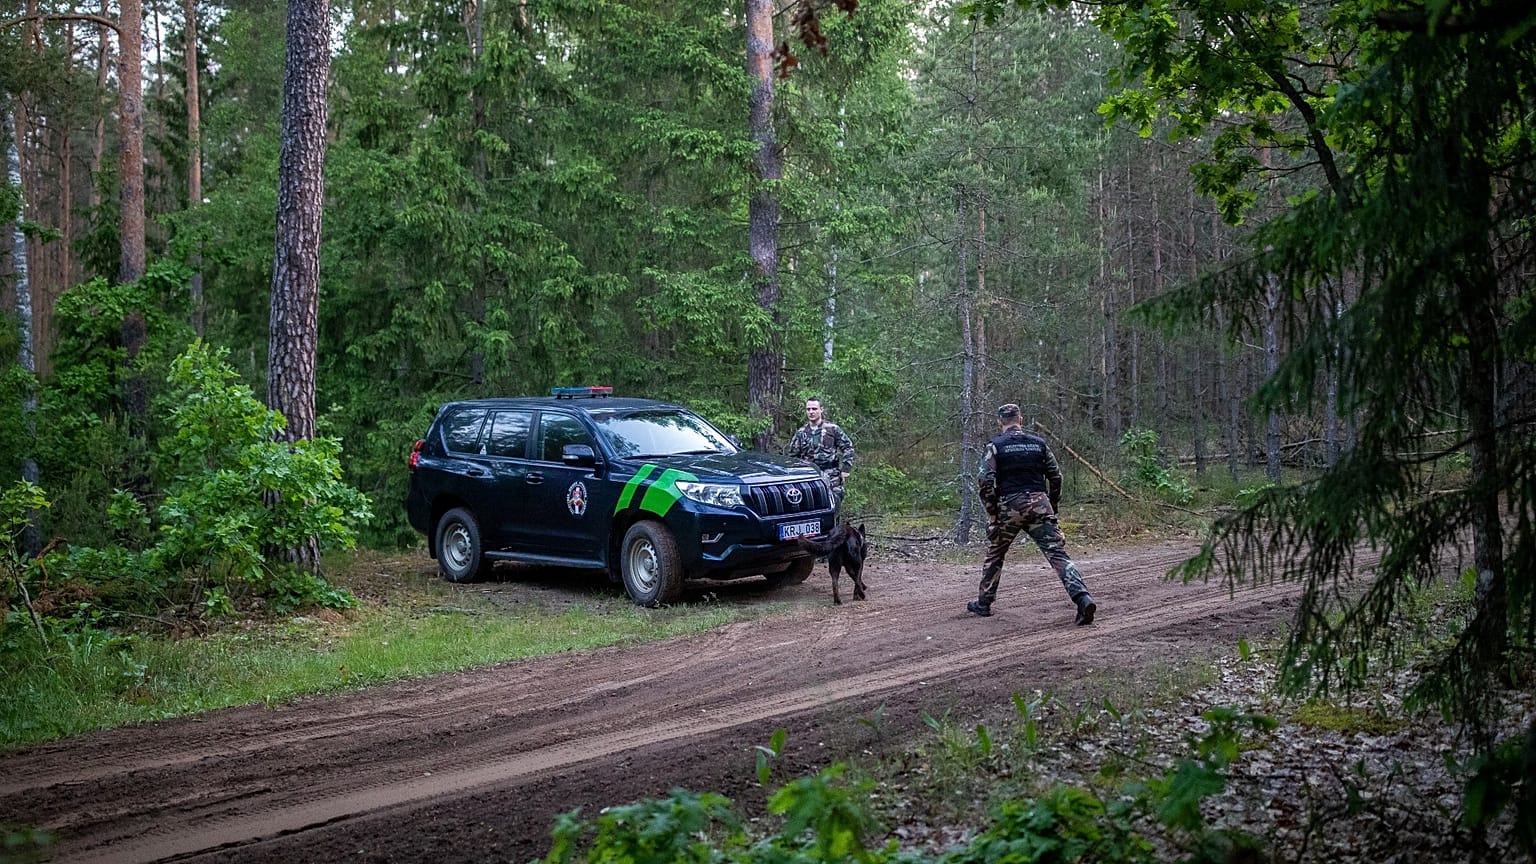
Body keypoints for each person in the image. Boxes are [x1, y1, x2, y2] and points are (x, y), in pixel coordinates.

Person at [967, 403, 1097, 625]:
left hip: (1009, 506)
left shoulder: (995, 447)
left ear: (1000, 422)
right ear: (1021, 419)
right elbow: (1056, 476)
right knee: (1057, 554)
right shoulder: (1039, 445)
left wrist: (993, 513)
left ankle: (984, 603)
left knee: (996, 552)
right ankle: (1082, 598)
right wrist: (1052, 505)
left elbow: (985, 481)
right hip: (1040, 504)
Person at [785, 397, 855, 508]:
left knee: (834, 506)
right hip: (809, 476)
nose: (811, 412)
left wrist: (846, 469)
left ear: (821, 409)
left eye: (814, 409)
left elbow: (848, 447)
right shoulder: (801, 433)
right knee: (810, 507)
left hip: (831, 475)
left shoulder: (832, 429)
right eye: (808, 409)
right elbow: (792, 457)